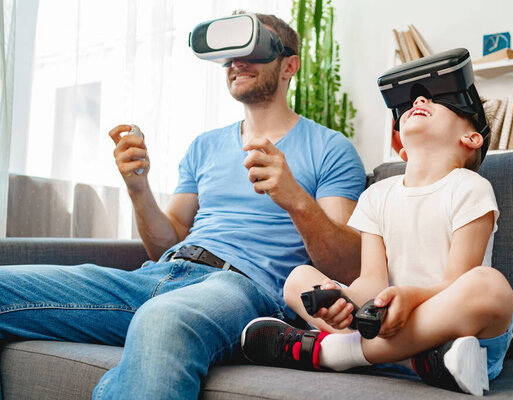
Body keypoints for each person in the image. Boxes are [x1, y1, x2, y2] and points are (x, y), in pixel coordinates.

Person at [0, 12, 365, 399]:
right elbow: (166, 240)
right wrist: (138, 189)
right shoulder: (203, 146)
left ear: (289, 64)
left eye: (252, 50)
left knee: (162, 320)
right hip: (160, 273)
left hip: (242, 290)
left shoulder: (330, 148)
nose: (236, 63)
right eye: (229, 55)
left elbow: (344, 266)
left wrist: (295, 199)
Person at [241, 94, 513, 396]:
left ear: (471, 137)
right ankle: (415, 361)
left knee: (491, 287)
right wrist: (343, 301)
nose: (420, 98)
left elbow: (456, 282)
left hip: (463, 338)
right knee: (298, 280)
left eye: (441, 101)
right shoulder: (377, 195)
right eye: (413, 100)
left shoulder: (470, 187)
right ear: (401, 147)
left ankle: (330, 352)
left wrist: (411, 297)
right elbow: (372, 281)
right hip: (400, 331)